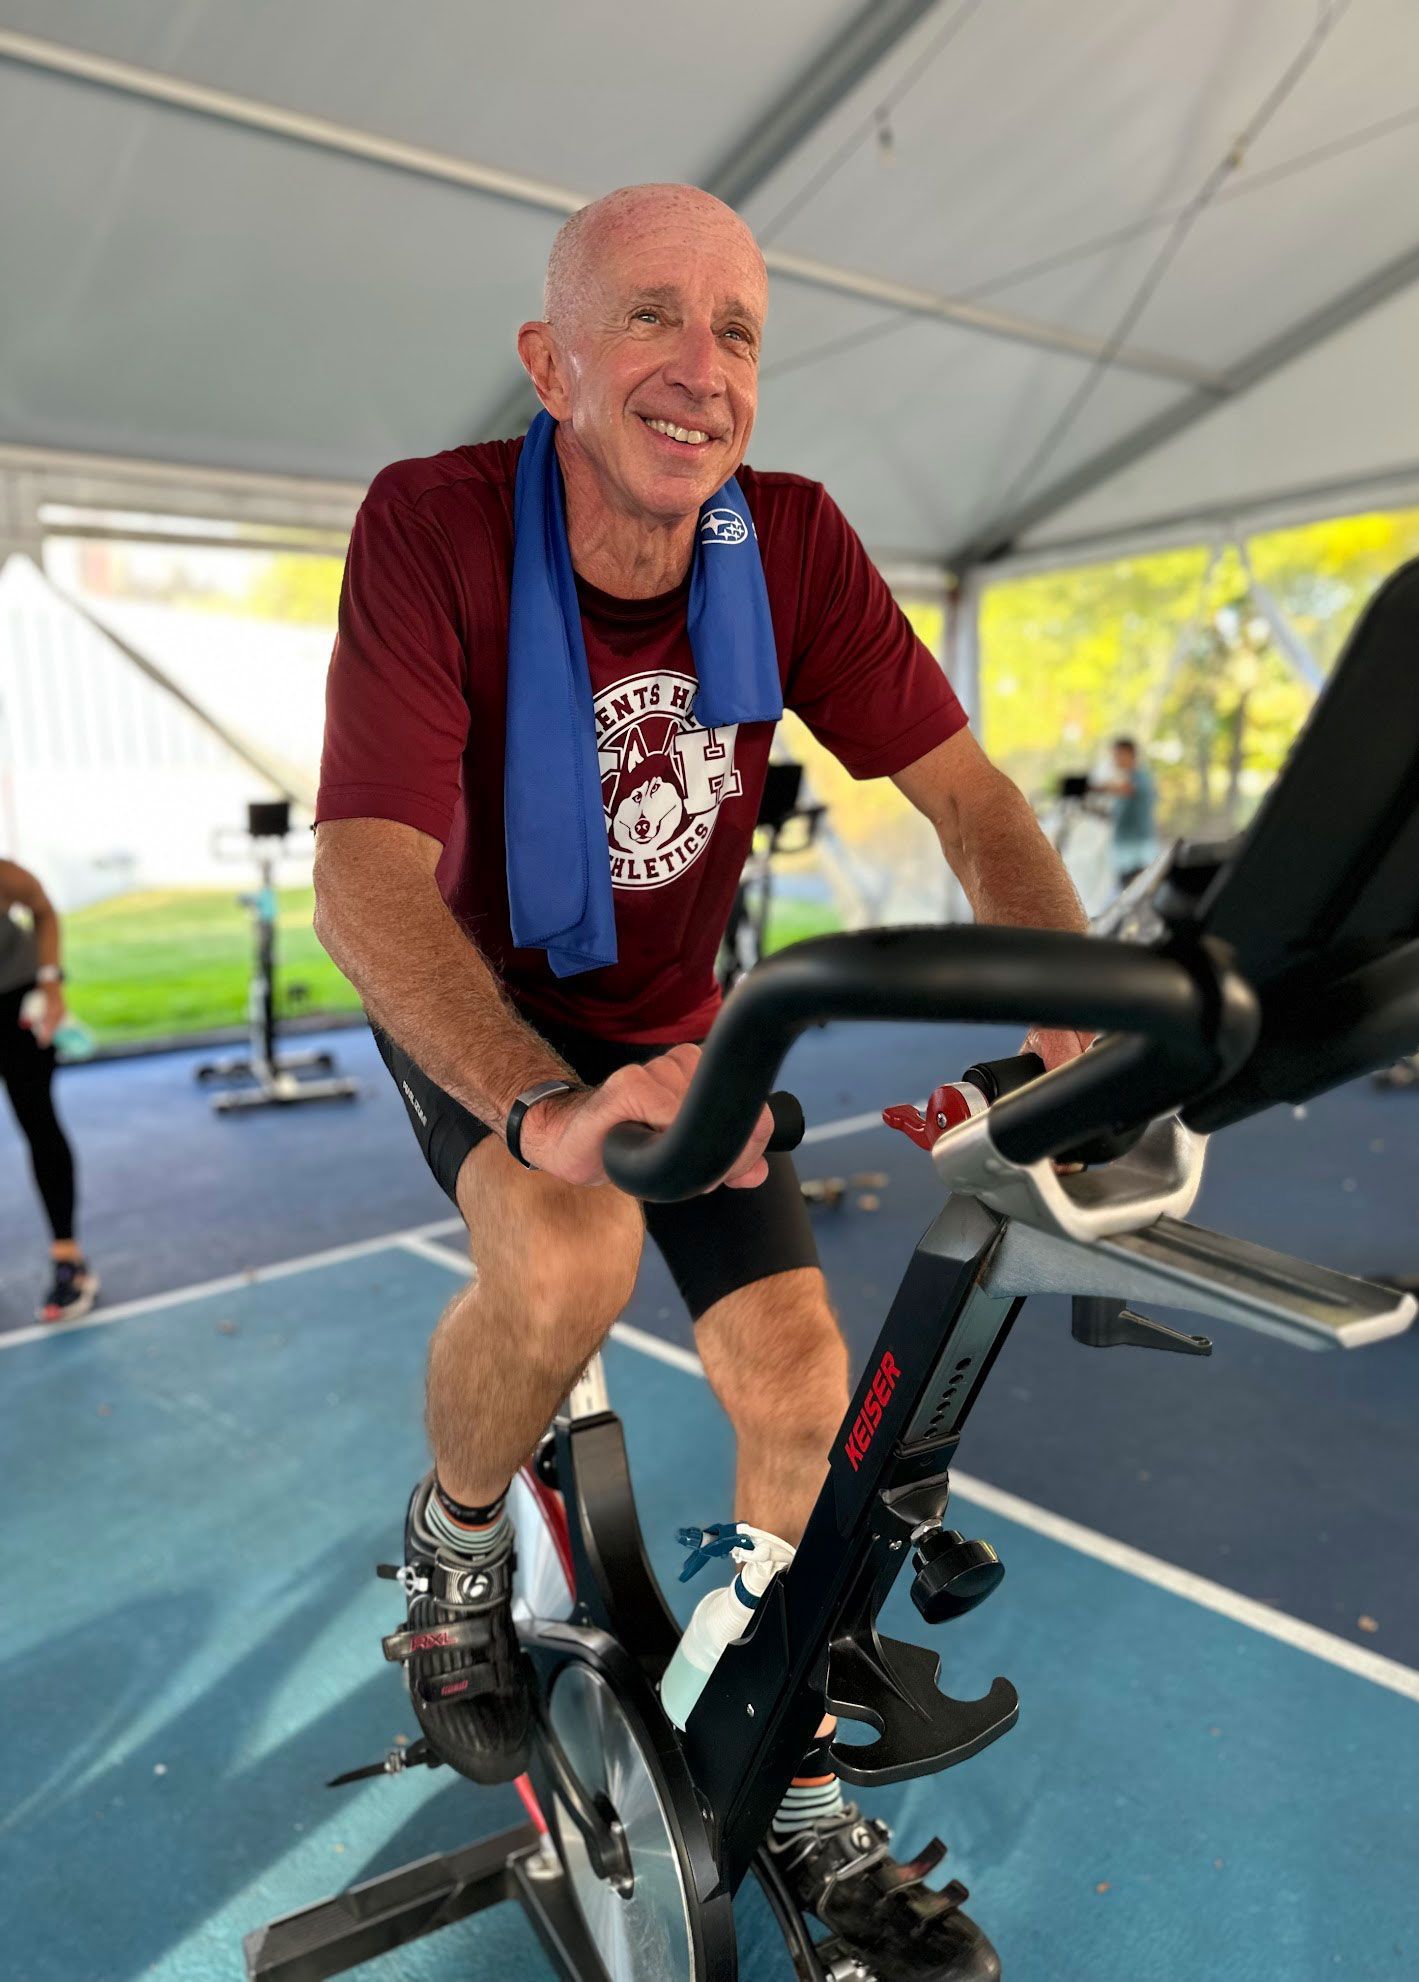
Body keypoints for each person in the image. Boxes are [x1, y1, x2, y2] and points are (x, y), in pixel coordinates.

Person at [314, 183, 1092, 1973]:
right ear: (552, 363)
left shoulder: (793, 544)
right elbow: (361, 871)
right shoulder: (430, 527)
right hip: (478, 999)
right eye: (652, 318)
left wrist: (1074, 1011)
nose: (703, 366)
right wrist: (542, 1107)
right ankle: (450, 1550)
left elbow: (971, 803)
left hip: (676, 1023)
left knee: (809, 1384)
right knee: (571, 1255)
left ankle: (792, 1779)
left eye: (737, 330)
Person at [0, 859, 97, 1323]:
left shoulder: (2, 874)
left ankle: (69, 1260)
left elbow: (42, 907)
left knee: (37, 1120)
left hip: (14, 1000)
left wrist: (50, 983)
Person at [1097, 735, 1161, 890]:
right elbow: (1117, 812)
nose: (1115, 759)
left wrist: (1091, 787)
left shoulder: (1140, 778)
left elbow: (1125, 789)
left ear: (1130, 754)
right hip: (1124, 851)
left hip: (1138, 851)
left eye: (1118, 754)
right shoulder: (1126, 780)